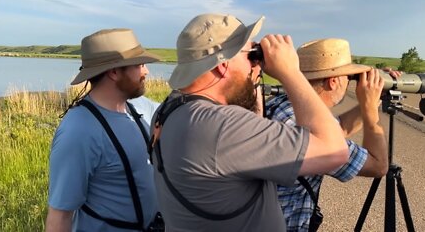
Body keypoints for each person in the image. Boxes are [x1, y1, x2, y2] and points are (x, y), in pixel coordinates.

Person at [149, 13, 349, 232]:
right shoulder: (221, 126)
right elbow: (335, 151)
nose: (256, 65)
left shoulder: (169, 110)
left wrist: (252, 83)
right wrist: (290, 71)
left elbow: (248, 130)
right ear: (222, 65)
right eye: (251, 55)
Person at [266, 38, 390, 231]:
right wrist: (369, 109)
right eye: (348, 78)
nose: (349, 84)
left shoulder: (284, 105)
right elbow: (378, 165)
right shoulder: (300, 126)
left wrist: (374, 99)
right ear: (333, 82)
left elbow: (336, 130)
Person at [46, 28, 162, 231]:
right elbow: (60, 216)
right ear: (114, 72)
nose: (146, 71)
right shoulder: (79, 131)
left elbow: (178, 115)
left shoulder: (139, 107)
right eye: (139, 65)